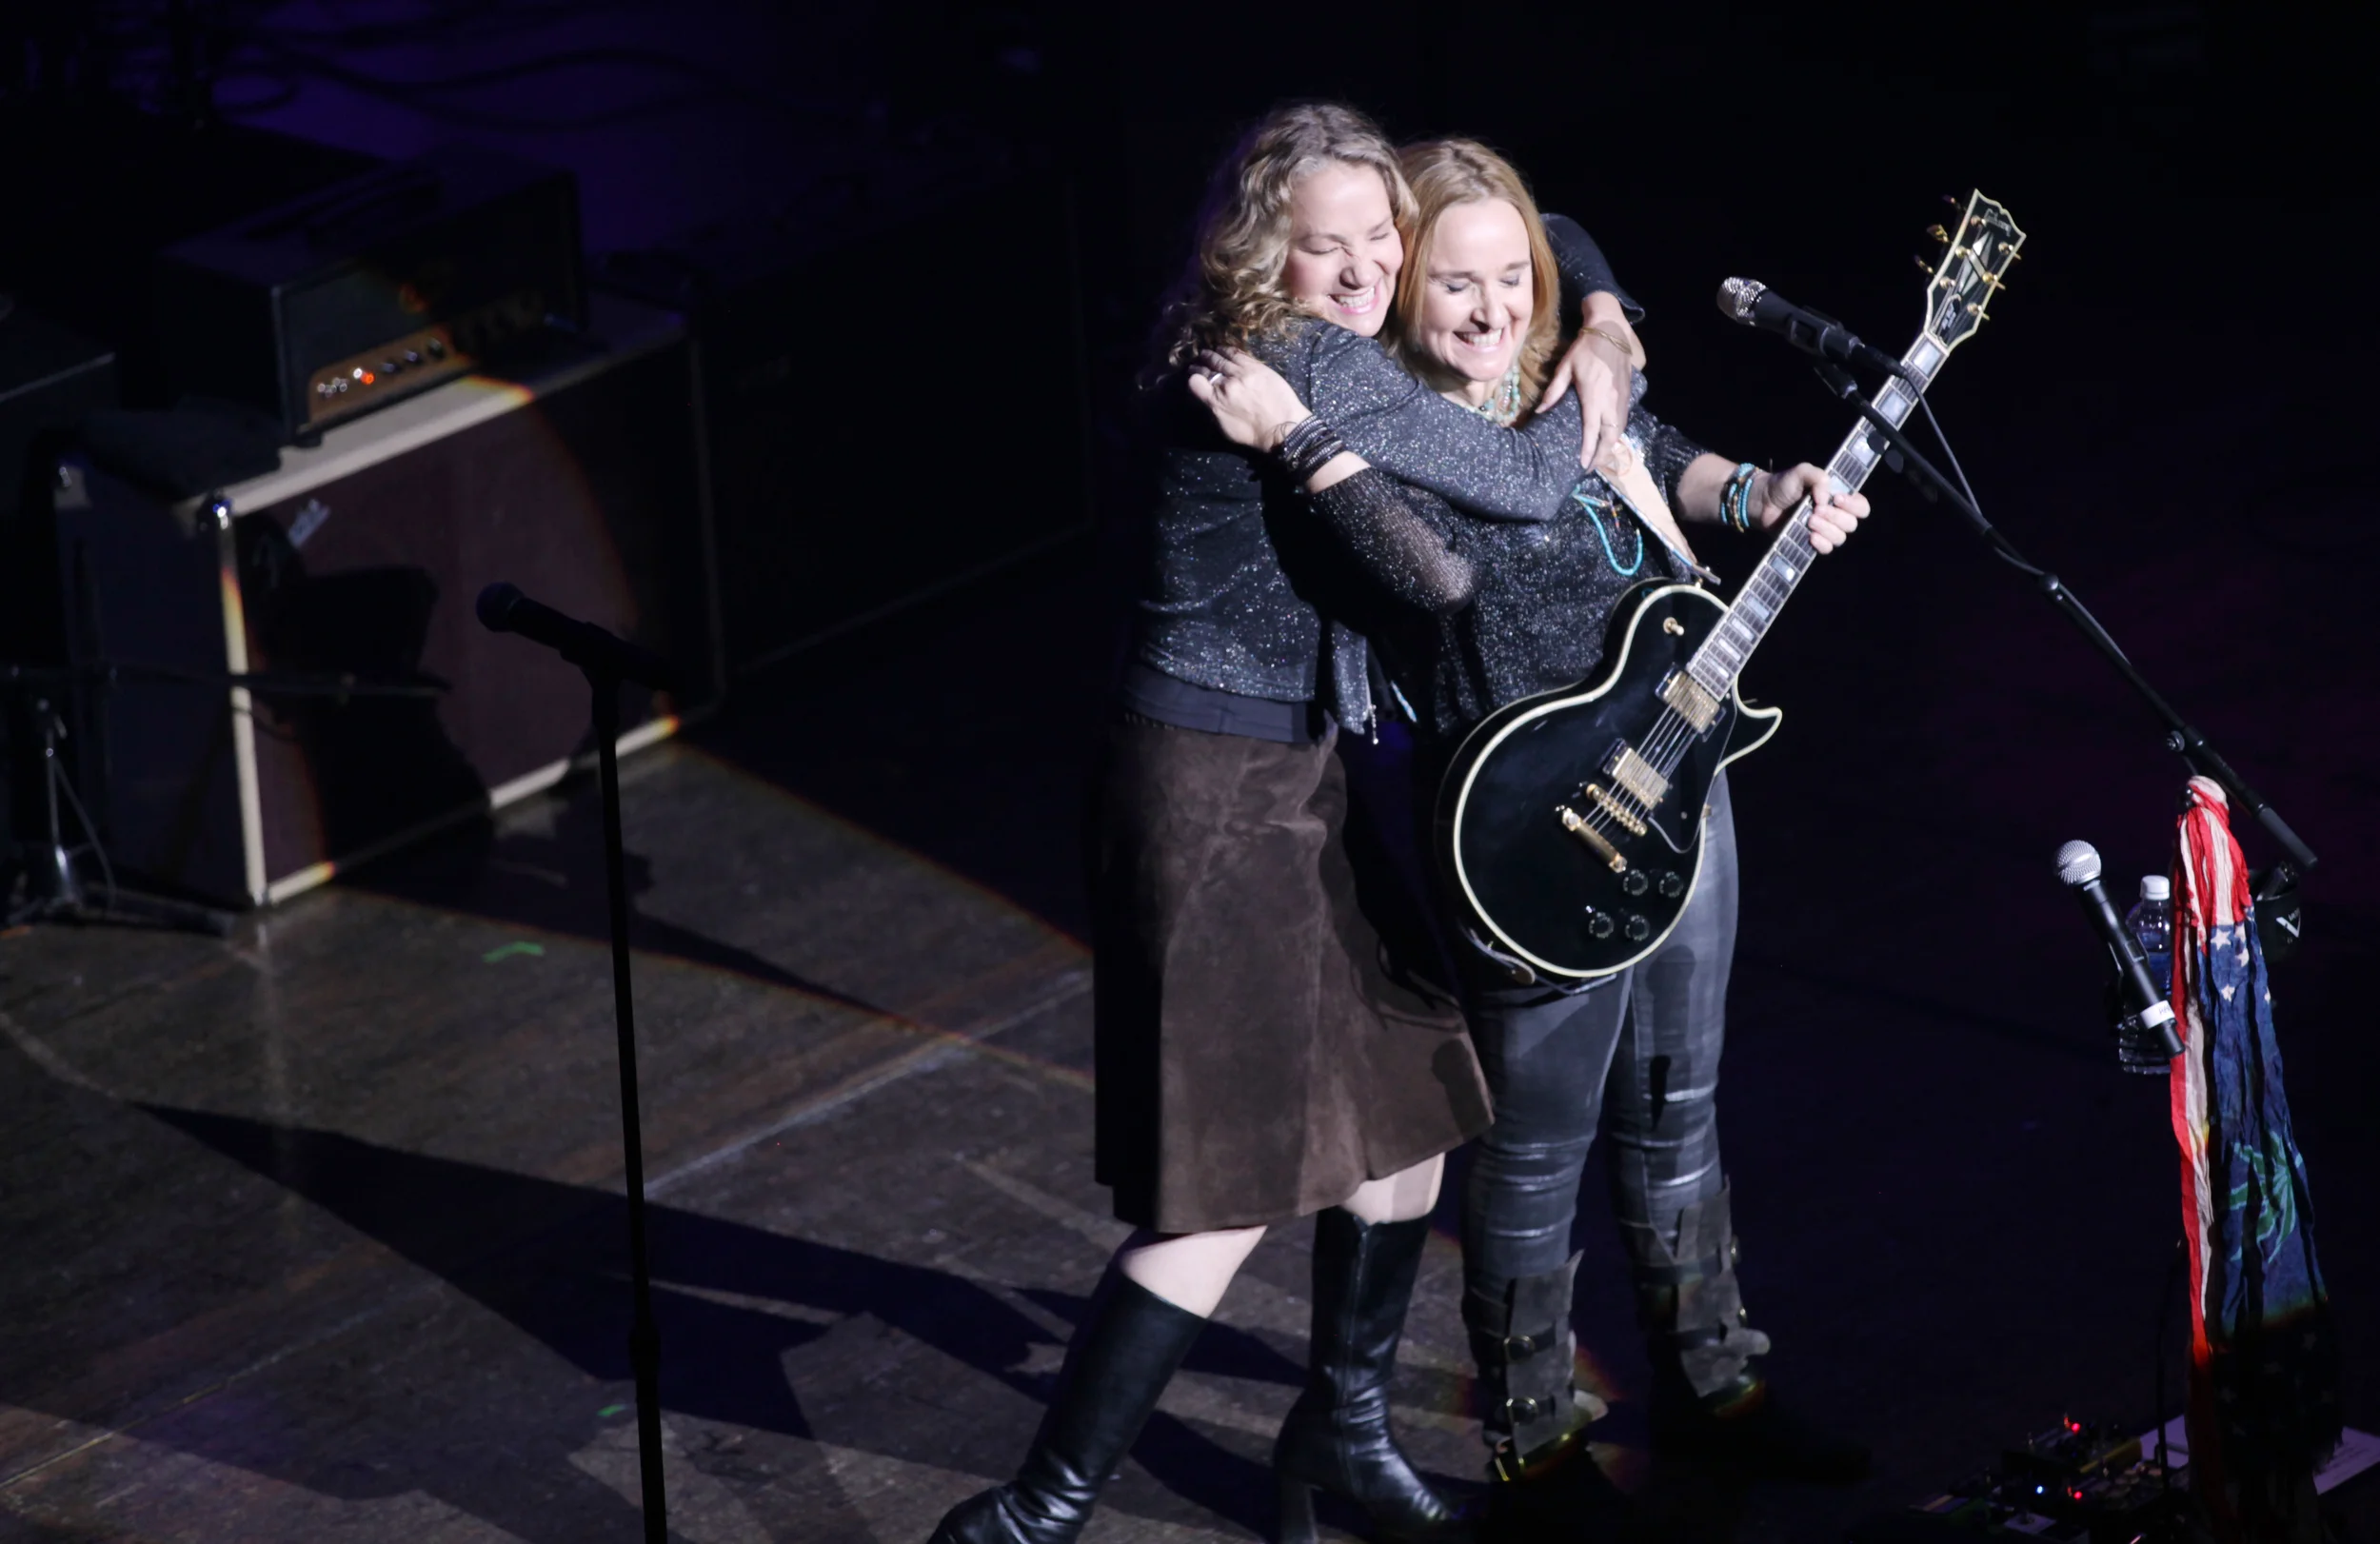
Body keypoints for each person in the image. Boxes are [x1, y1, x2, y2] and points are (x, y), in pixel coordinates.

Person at [929, 105, 1641, 1544]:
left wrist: (1605, 314)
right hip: (1211, 793)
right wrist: (1586, 389)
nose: (1371, 269)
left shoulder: (1311, 346)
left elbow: (1533, 231)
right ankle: (1034, 1513)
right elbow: (1467, 541)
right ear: (1267, 255)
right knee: (1230, 1186)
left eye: (1385, 238)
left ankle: (1341, 1432)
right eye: (1332, 248)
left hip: (1297, 774)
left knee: (1406, 1117)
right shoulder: (1292, 360)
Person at [1190, 138, 1873, 1534]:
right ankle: (1532, 1430)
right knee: (1538, 1146)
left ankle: (1717, 1385)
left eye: (1515, 280)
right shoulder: (1383, 425)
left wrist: (1769, 492)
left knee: (1683, 1101)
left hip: (1679, 773)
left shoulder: (1562, 374)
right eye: (1457, 281)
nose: (1495, 307)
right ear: (1401, 289)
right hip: (1532, 837)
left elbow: (1667, 461)